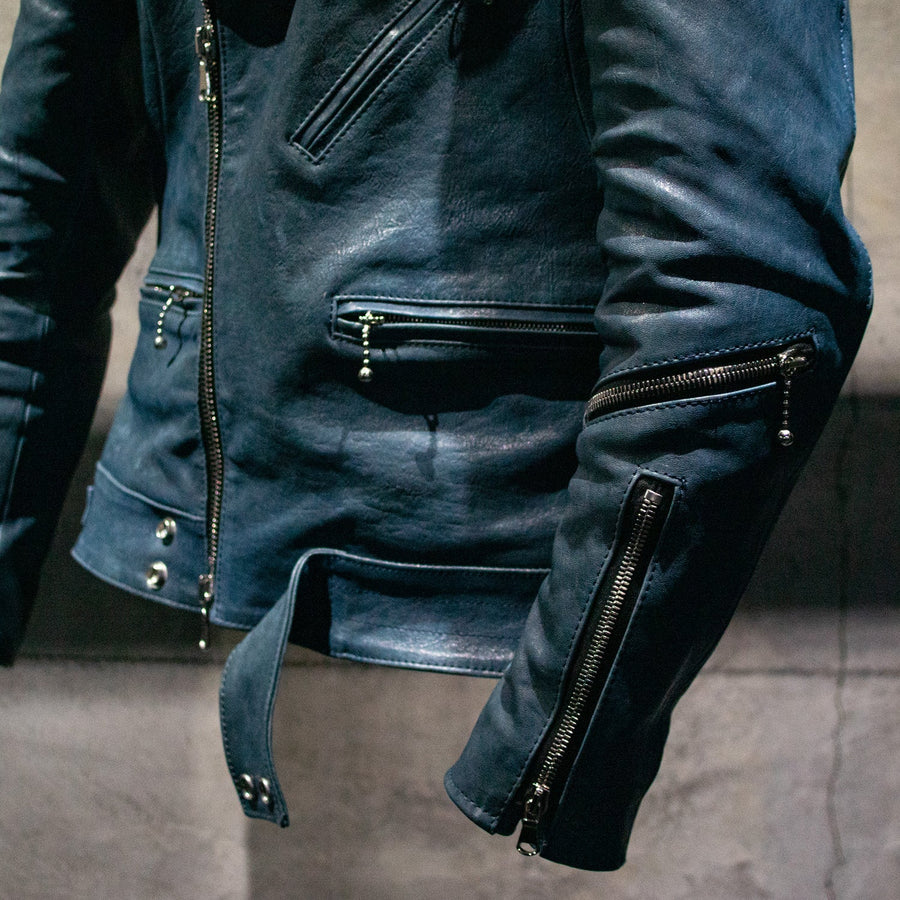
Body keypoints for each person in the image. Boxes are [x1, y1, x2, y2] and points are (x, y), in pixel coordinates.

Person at [0, 0, 871, 870]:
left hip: (521, 599)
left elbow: (736, 297)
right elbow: (35, 201)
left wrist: (553, 739)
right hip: (213, 549)